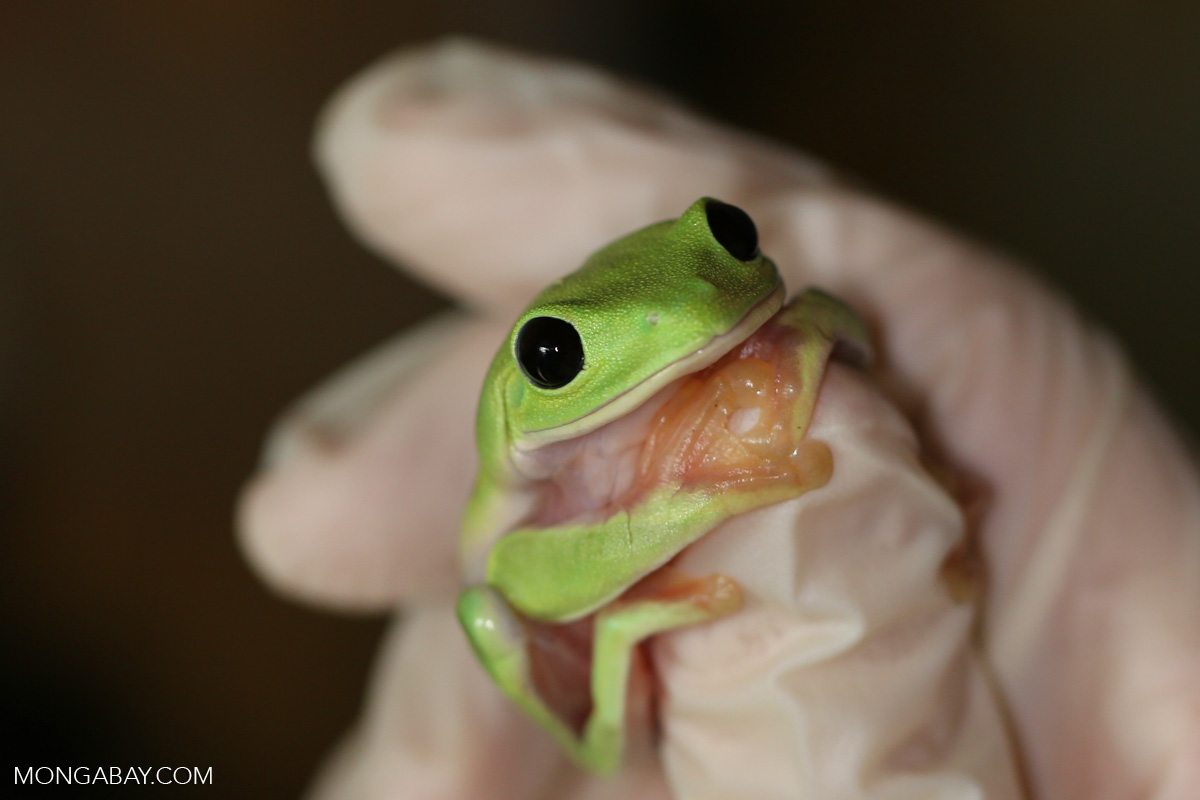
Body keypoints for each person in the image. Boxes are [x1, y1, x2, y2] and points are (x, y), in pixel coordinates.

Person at [236, 39, 1199, 800]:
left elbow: (826, 318)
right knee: (482, 616)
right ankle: (616, 692)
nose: (693, 305)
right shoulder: (537, 459)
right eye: (556, 354)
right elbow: (517, 571)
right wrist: (670, 517)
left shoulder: (724, 302)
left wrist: (831, 347)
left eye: (729, 236)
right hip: (580, 615)